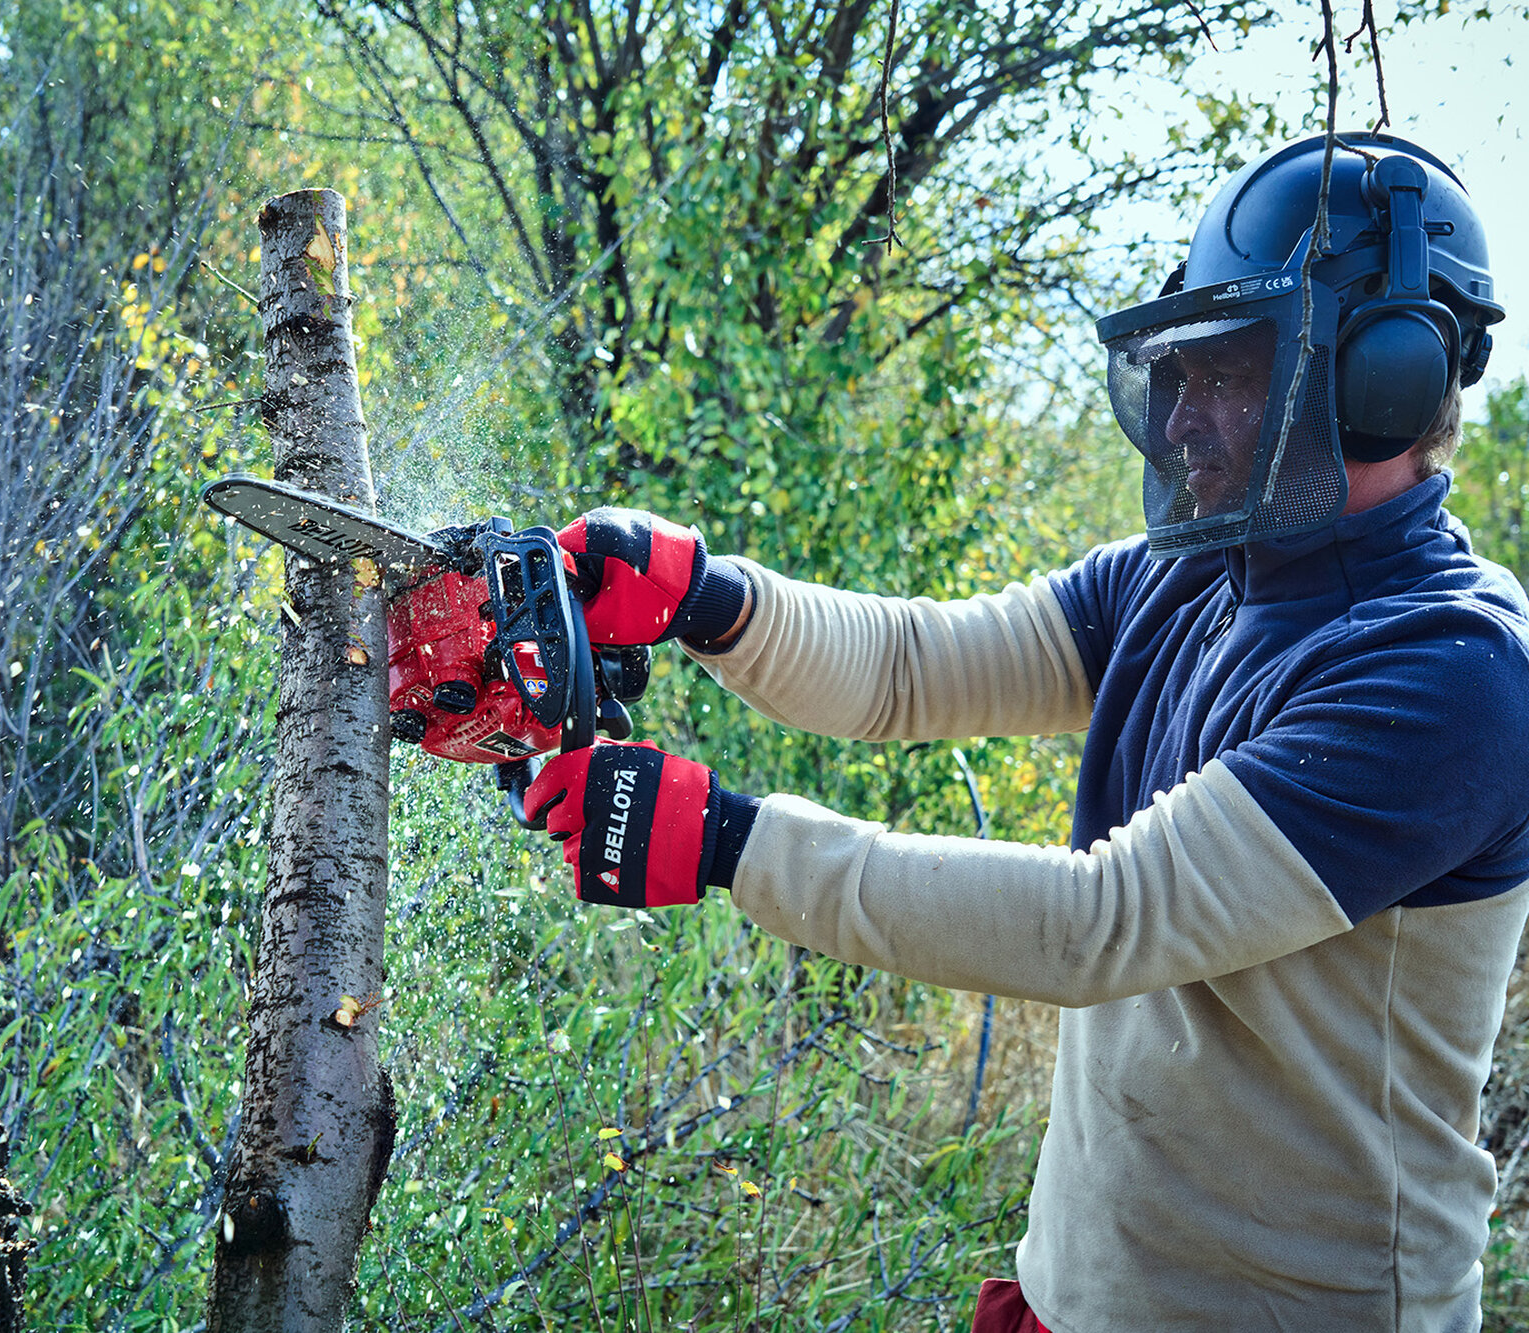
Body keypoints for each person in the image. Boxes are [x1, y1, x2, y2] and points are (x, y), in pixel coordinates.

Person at [524, 131, 1527, 1332]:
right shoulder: (1194, 572)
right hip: (1081, 1287)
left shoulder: (1450, 673)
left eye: (1231, 375)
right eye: (1183, 374)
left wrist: (728, 843)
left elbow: (1099, 923)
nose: (1181, 425)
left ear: (1383, 386)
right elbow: (905, 671)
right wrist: (704, 596)